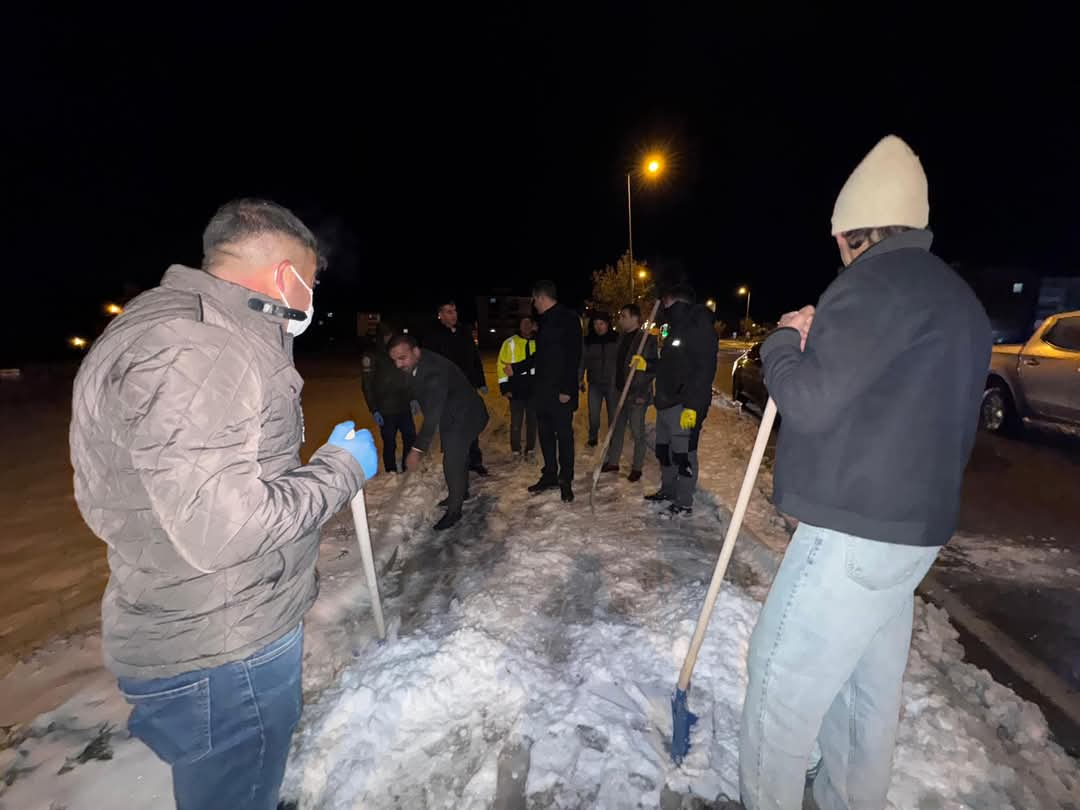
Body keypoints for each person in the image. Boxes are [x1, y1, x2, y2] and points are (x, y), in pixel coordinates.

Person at [69, 199, 380, 810]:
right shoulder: (199, 345)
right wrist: (341, 470)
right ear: (283, 274)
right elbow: (224, 530)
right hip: (223, 645)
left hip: (205, 624)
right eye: (311, 282)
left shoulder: (183, 329)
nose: (311, 298)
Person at [738, 136, 992, 810]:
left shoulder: (870, 283)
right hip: (913, 534)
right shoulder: (955, 298)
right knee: (864, 693)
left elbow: (810, 399)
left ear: (852, 233)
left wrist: (784, 343)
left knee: (778, 687)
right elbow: (884, 391)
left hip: (853, 533)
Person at [632, 282, 717, 515]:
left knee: (684, 455)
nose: (663, 306)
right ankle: (668, 490)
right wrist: (647, 365)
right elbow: (670, 365)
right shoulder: (673, 327)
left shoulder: (698, 326)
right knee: (664, 452)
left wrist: (693, 406)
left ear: (676, 302)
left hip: (684, 405)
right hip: (665, 402)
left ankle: (684, 501)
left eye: (666, 301)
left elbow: (704, 370)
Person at [389, 333, 489, 530]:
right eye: (395, 360)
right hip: (453, 412)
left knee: (452, 460)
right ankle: (461, 492)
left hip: (465, 416)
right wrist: (415, 399)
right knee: (457, 457)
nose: (399, 365)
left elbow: (433, 416)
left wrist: (417, 450)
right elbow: (415, 383)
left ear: (416, 351)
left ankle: (454, 510)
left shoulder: (434, 371)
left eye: (402, 358)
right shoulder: (418, 361)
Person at [504, 280, 582, 503]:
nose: (533, 304)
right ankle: (549, 475)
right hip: (543, 391)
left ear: (541, 297)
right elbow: (540, 357)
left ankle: (565, 479)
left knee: (564, 436)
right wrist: (516, 368)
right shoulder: (545, 321)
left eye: (534, 299)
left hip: (561, 392)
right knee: (545, 435)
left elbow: (573, 355)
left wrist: (568, 388)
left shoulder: (568, 318)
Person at [424, 299, 489, 476]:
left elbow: (475, 358)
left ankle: (474, 461)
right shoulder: (433, 336)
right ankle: (456, 462)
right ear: (440, 315)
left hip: (467, 388)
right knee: (451, 429)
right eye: (449, 311)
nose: (454, 315)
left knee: (471, 424)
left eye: (454, 311)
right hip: (447, 391)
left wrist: (481, 382)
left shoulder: (464, 332)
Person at [601, 303, 657, 481]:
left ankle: (637, 467)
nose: (620, 319)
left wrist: (640, 394)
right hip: (619, 390)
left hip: (635, 394)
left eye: (623, 316)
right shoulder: (622, 338)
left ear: (635, 318)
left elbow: (649, 370)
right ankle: (613, 462)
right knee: (617, 428)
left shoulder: (646, 339)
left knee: (637, 431)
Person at [362, 321, 416, 473]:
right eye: (386, 336)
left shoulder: (398, 350)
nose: (389, 339)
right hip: (385, 409)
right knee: (390, 442)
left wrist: (412, 398)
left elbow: (408, 375)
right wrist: (374, 409)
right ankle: (390, 469)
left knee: (410, 437)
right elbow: (367, 385)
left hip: (403, 405)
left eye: (392, 336)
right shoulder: (372, 355)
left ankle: (407, 466)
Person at [497, 315, 538, 460]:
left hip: (534, 388)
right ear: (519, 326)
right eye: (523, 323)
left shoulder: (539, 342)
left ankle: (530, 448)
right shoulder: (509, 343)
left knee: (532, 421)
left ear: (533, 325)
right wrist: (504, 387)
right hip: (516, 388)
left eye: (529, 323)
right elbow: (502, 365)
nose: (526, 326)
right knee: (516, 421)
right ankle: (515, 449)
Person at [579, 311, 619, 447]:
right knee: (593, 414)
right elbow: (582, 361)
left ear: (608, 324)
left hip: (612, 383)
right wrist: (580, 378)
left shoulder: (616, 339)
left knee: (613, 413)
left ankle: (613, 437)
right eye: (596, 324)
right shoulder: (588, 341)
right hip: (595, 383)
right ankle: (593, 436)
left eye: (601, 323)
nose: (598, 327)